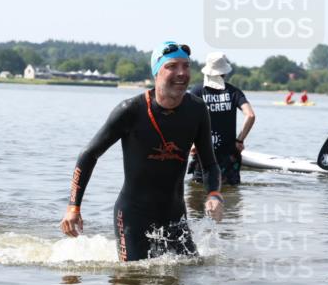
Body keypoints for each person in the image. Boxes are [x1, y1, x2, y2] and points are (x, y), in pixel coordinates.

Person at [60, 41, 224, 262]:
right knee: (131, 284)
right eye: (172, 66)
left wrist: (214, 194)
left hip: (175, 217)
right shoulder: (130, 111)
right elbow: (89, 155)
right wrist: (73, 207)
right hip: (133, 216)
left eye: (186, 66)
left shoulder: (197, 110)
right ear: (156, 72)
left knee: (190, 273)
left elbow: (210, 164)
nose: (182, 73)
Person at [189, 52, 256, 186]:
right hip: (229, 156)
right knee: (230, 197)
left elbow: (188, 119)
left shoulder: (197, 91)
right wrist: (239, 140)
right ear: (224, 73)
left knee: (198, 194)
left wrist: (192, 143)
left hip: (203, 153)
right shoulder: (234, 92)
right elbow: (250, 115)